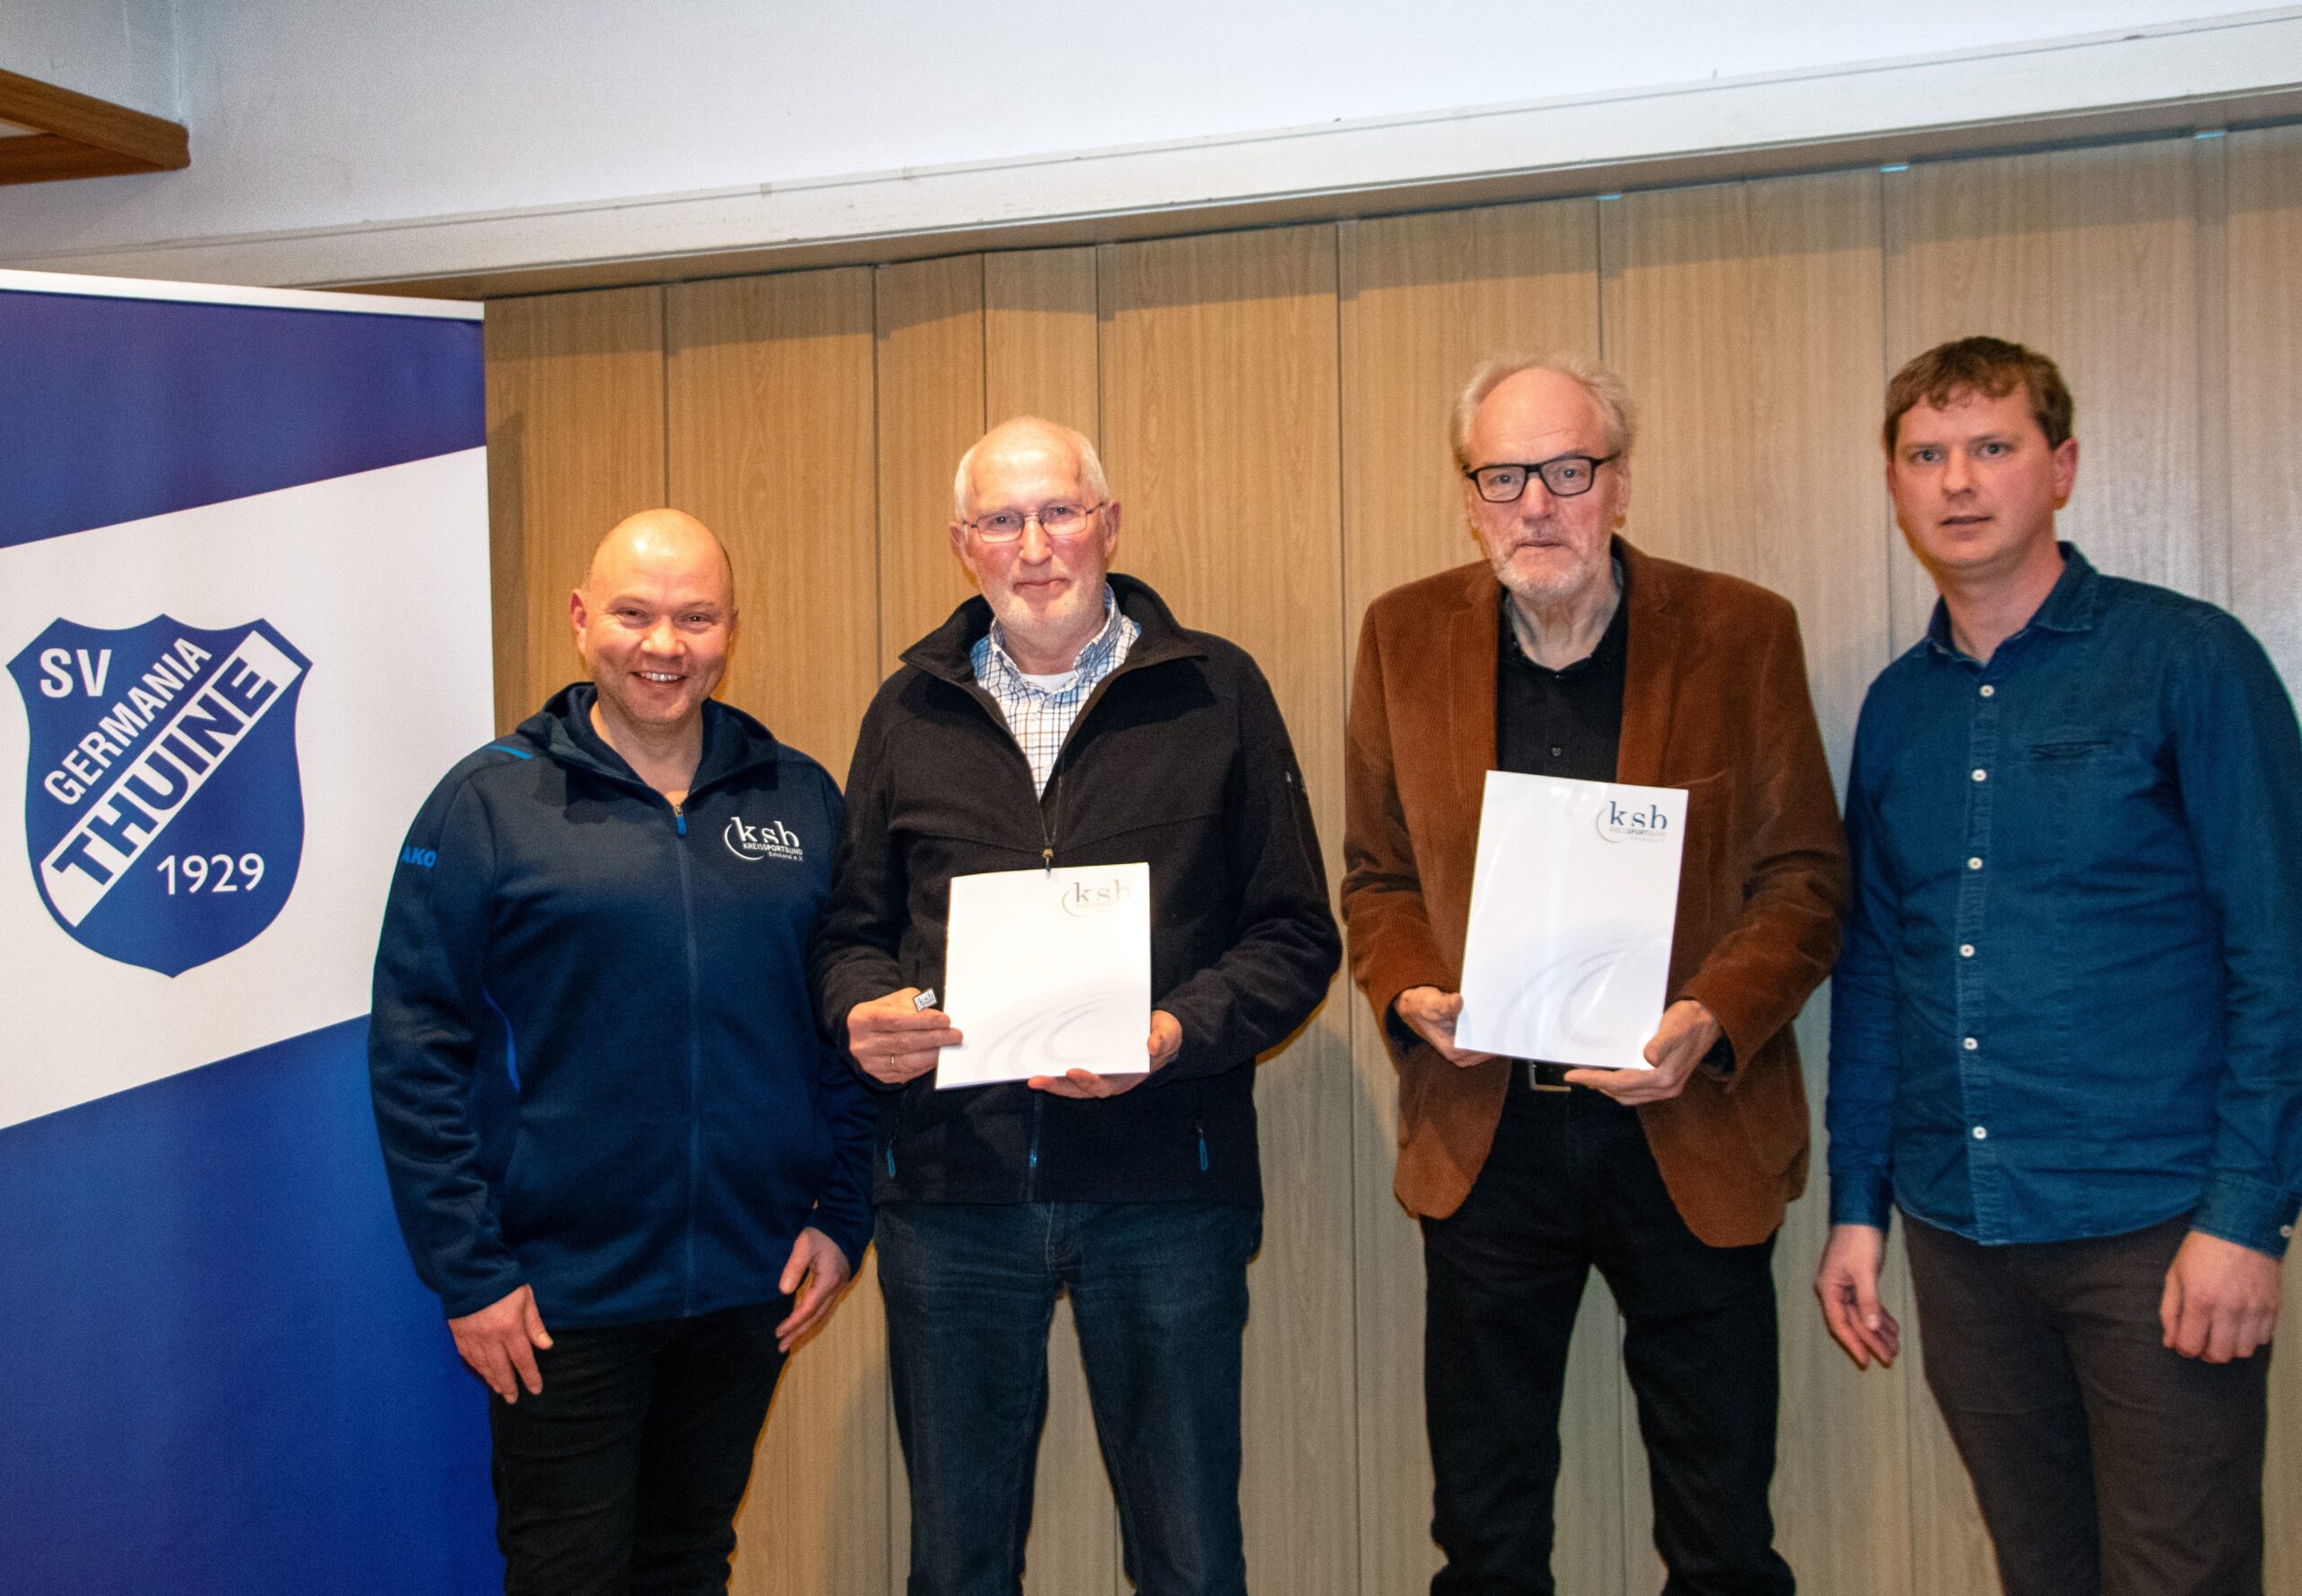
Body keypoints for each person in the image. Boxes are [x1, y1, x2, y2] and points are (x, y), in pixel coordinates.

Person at [1341, 352, 1848, 1596]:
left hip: (1686, 1121)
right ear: (1469, 494)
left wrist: (1707, 1020)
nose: (1536, 504)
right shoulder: (1403, 635)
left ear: (1620, 482)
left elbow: (1805, 877)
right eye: (1503, 475)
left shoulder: (1740, 630)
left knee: (1721, 1525)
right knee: (1486, 1527)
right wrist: (1410, 993)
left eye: (1568, 470)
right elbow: (1374, 874)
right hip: (1486, 1130)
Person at [813, 416, 1340, 1596]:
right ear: (965, 545)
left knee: (1190, 1550)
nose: (1035, 545)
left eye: (1060, 511)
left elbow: (1297, 933)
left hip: (1162, 1185)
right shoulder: (907, 711)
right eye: (1003, 520)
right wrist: (859, 1012)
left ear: (1109, 523)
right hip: (953, 1191)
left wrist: (1171, 1034)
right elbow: (851, 934)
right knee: (958, 1556)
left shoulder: (1216, 691)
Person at [1817, 335, 2302, 1596]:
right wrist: (1856, 1204)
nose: (1958, 481)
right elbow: (1874, 969)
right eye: (1926, 454)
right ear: (1895, 481)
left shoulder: (2188, 658)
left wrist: (2248, 1216)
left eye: (1993, 446)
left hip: (2156, 1230)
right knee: (2043, 1570)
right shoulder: (1895, 708)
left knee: (2178, 1574)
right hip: (1958, 1228)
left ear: (2063, 466)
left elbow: (2279, 948)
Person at [369, 509, 873, 1595]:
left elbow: (842, 1020)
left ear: (732, 628)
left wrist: (840, 1213)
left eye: (695, 618)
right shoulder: (489, 802)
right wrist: (472, 1272)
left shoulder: (798, 797)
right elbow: (416, 1047)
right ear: (580, 617)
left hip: (747, 1280)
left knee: (689, 1562)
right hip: (557, 1295)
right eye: (636, 614)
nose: (663, 645)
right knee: (570, 1573)